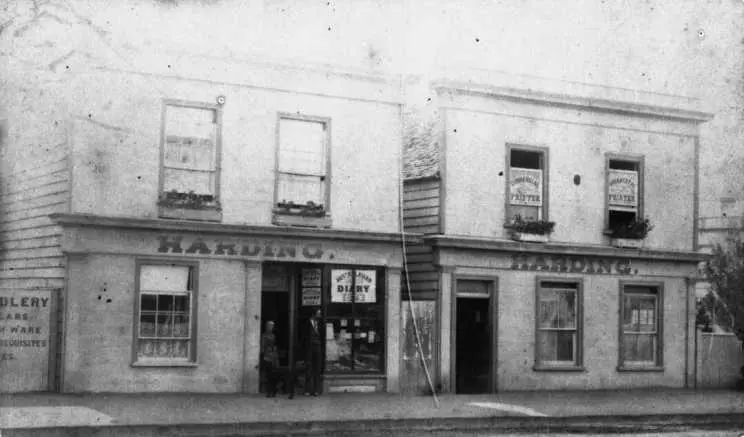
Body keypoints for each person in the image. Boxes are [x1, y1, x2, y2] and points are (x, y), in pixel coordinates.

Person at [304, 308, 323, 396]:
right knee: (309, 369)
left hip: (317, 347)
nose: (319, 315)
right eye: (318, 313)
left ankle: (316, 390)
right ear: (314, 314)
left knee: (317, 369)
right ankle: (307, 390)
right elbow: (303, 336)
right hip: (309, 347)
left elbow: (322, 335)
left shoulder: (320, 323)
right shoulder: (307, 323)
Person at [261, 320, 279, 398]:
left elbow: (275, 346)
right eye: (270, 326)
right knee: (268, 375)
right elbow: (262, 347)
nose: (271, 327)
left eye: (272, 326)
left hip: (273, 357)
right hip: (267, 357)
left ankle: (273, 391)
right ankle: (269, 391)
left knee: (273, 375)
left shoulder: (273, 336)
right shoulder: (264, 336)